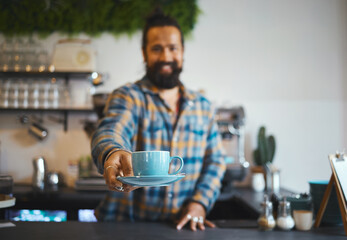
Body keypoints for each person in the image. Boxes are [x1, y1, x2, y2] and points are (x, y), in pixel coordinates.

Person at [91, 9, 226, 231]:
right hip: (123, 228)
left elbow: (216, 162)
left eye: (173, 48)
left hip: (180, 228)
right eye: (156, 49)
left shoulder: (203, 107)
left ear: (182, 52)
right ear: (144, 54)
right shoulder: (128, 97)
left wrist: (199, 204)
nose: (165, 57)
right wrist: (112, 153)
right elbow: (110, 130)